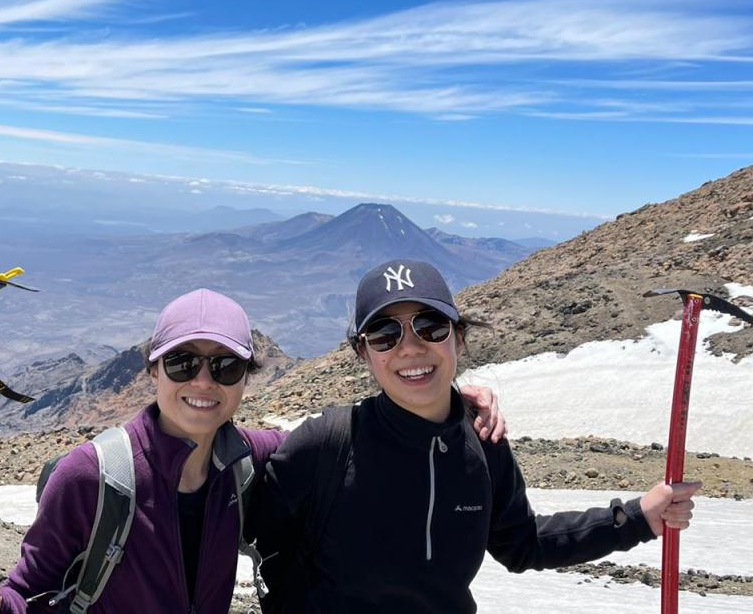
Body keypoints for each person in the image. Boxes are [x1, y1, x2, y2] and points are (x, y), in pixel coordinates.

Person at [0, 287, 507, 614]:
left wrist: (448, 401)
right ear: (152, 370)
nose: (204, 382)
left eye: (225, 366)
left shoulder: (246, 462)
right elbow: (25, 595)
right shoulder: (90, 476)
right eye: (183, 363)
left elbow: (345, 441)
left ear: (244, 379)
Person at [252, 260, 702, 613]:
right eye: (385, 334)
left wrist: (638, 517)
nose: (410, 347)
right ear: (364, 354)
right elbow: (230, 510)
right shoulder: (326, 442)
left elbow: (523, 544)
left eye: (431, 326)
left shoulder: (482, 443)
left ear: (458, 338)